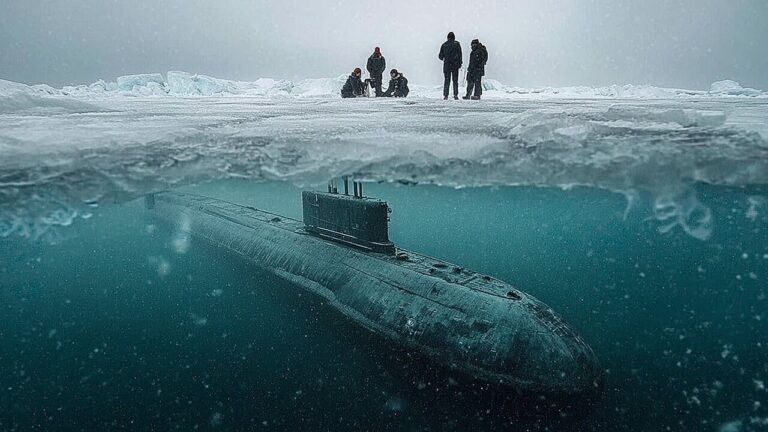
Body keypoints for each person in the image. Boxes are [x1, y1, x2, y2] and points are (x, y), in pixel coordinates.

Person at [438, 32, 462, 100]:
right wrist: (459, 63)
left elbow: (440, 56)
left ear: (448, 37)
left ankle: (446, 95)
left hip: (447, 65)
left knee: (447, 81)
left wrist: (445, 58)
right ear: (454, 37)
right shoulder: (457, 44)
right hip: (455, 65)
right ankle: (455, 95)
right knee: (455, 81)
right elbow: (460, 54)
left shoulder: (444, 45)